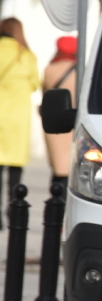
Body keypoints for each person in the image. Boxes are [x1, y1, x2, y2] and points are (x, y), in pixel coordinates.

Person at [0, 17, 41, 225]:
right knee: (15, 172)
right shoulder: (26, 56)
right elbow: (35, 84)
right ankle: (13, 212)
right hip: (17, 121)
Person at [42, 35, 77, 186]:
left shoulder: (49, 70)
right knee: (72, 163)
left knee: (58, 166)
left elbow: (44, 93)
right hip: (75, 119)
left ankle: (55, 200)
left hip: (55, 122)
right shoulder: (81, 69)